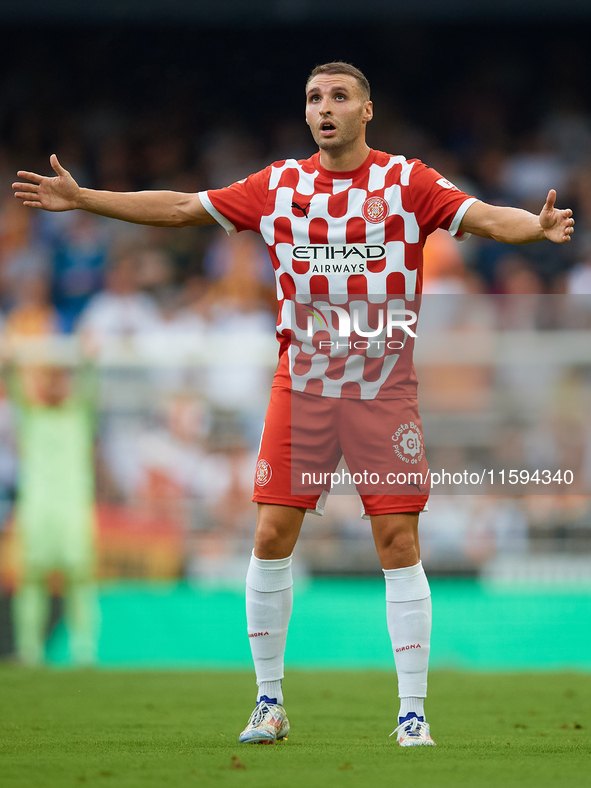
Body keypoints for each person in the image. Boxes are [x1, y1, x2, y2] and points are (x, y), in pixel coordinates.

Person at [13, 62, 574, 745]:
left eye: (339, 97)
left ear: (366, 111)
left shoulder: (405, 182)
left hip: (380, 389)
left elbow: (482, 218)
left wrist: (534, 227)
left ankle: (412, 711)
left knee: (397, 541)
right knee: (270, 536)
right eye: (314, 98)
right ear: (306, 113)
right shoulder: (278, 185)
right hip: (302, 388)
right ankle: (269, 703)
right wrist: (86, 199)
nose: (324, 108)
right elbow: (185, 207)